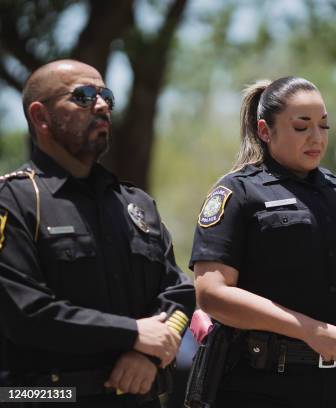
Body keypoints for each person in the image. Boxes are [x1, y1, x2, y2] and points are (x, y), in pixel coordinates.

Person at [190, 76, 336, 408]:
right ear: (265, 131)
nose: (316, 137)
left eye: (324, 126)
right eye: (301, 127)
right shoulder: (238, 192)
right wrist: (309, 330)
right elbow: (212, 293)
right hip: (262, 388)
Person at [0, 59, 195, 407]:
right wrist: (133, 334)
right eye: (84, 96)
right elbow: (25, 313)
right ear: (41, 116)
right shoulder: (14, 201)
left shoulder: (137, 204)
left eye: (106, 95)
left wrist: (146, 354)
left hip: (139, 397)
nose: (102, 105)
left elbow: (178, 292)